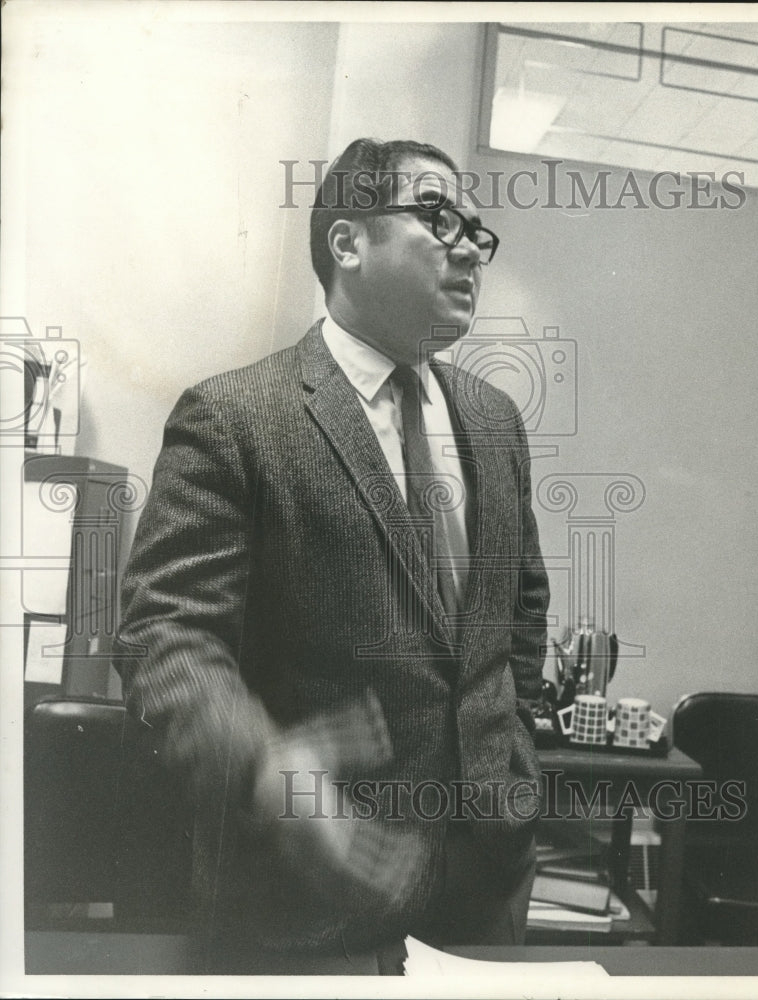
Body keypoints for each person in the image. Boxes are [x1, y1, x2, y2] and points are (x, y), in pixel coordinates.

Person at [114, 137, 550, 969]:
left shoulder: (496, 420)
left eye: (476, 229)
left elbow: (519, 610)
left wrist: (508, 750)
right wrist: (271, 769)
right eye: (436, 216)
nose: (469, 246)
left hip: (486, 877)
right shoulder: (236, 417)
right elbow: (165, 639)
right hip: (306, 890)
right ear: (347, 243)